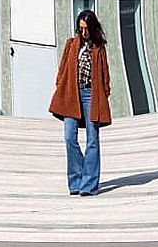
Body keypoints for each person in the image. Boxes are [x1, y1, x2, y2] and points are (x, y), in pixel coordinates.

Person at [49, 10, 112, 197]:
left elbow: (105, 75)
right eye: (81, 28)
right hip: (71, 94)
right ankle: (76, 181)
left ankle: (89, 184)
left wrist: (104, 94)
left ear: (92, 28)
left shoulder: (99, 47)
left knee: (93, 140)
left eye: (86, 29)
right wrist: (61, 86)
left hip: (91, 95)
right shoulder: (71, 44)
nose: (83, 32)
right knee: (70, 137)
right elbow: (62, 71)